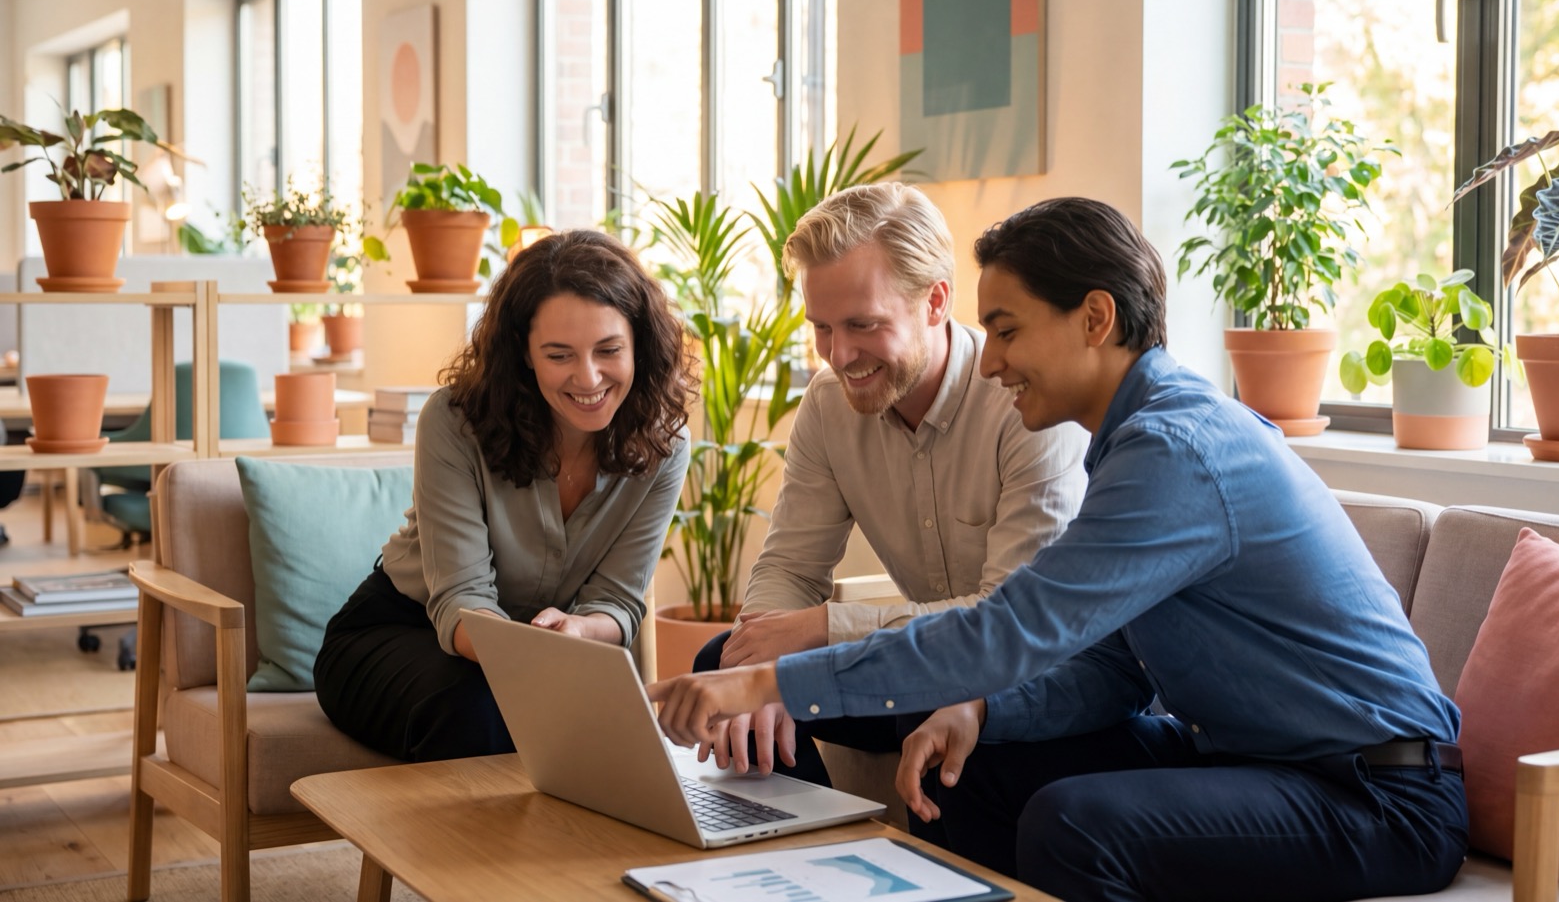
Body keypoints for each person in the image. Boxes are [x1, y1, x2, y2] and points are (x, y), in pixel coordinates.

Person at [650, 197, 1468, 902]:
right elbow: (1110, 666)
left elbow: (1008, 628)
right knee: (970, 764)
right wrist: (977, 708)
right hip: (1259, 759)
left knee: (1078, 825)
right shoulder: (1127, 441)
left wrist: (770, 678)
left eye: (1006, 330)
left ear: (1096, 318)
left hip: (1379, 792)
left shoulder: (1175, 448)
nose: (993, 357)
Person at [692, 183, 1087, 798]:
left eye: (862, 325)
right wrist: (759, 668)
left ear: (935, 302)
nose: (839, 355)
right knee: (721, 663)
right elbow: (791, 566)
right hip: (909, 662)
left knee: (934, 694)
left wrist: (827, 628)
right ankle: (798, 860)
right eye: (822, 328)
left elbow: (1008, 619)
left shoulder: (1026, 403)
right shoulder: (827, 406)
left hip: (1024, 668)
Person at [316, 229, 692, 762]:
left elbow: (618, 600)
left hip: (544, 652)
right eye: (559, 355)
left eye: (609, 350)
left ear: (639, 343)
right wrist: (537, 663)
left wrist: (581, 629)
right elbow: (461, 600)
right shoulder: (453, 421)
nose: (589, 378)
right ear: (524, 353)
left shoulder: (664, 444)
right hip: (399, 629)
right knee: (482, 710)